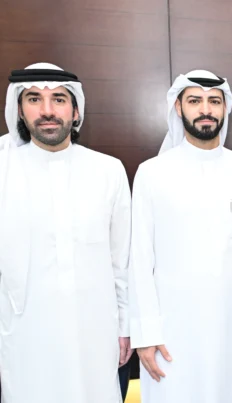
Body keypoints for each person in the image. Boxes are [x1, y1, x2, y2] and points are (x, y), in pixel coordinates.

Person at [128, 69, 232, 402]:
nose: (205, 110)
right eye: (195, 101)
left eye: (214, 101)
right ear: (178, 108)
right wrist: (145, 333)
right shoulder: (151, 173)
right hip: (172, 328)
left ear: (225, 109)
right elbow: (139, 261)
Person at [0, 62, 132, 403]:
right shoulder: (3, 168)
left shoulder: (108, 170)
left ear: (75, 111)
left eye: (58, 99)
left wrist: (126, 326)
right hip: (24, 334)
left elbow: (121, 261)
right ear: (19, 109)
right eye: (34, 99)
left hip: (95, 331)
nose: (47, 111)